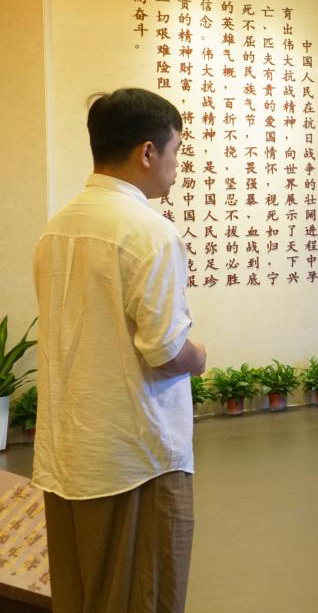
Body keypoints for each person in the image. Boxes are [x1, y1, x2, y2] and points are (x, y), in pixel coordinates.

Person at [34, 88, 206, 613]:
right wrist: (199, 356)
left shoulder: (58, 226)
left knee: (80, 595)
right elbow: (165, 350)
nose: (177, 166)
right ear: (147, 152)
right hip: (137, 459)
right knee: (143, 596)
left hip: (69, 455)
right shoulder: (149, 232)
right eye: (177, 150)